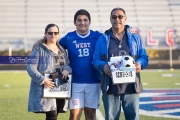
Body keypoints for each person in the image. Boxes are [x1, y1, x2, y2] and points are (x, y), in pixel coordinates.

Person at [92, 7, 148, 120]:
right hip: (110, 88)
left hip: (131, 87)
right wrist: (103, 66)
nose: (117, 19)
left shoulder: (135, 38)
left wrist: (140, 63)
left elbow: (144, 57)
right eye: (114, 17)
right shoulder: (103, 39)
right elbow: (95, 60)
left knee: (133, 118)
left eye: (120, 17)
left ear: (125, 19)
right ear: (110, 19)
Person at [59, 9, 102, 120]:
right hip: (75, 82)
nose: (82, 23)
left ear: (89, 22)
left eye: (85, 20)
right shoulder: (69, 37)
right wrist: (40, 42)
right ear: (75, 22)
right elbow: (53, 45)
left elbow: (114, 37)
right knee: (74, 116)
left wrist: (128, 29)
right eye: (79, 20)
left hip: (94, 81)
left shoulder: (98, 36)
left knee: (91, 115)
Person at [27, 23, 72, 120]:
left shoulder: (62, 49)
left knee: (55, 115)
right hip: (46, 87)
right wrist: (43, 80)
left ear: (58, 34)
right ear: (45, 34)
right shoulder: (39, 49)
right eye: (50, 33)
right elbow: (30, 67)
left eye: (56, 33)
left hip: (60, 87)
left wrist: (67, 69)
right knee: (52, 115)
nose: (53, 35)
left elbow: (68, 64)